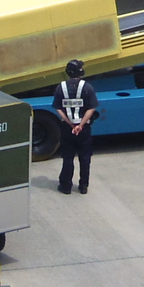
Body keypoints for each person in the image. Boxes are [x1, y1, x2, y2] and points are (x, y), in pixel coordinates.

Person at [52, 59, 99, 194]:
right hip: (83, 129)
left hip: (67, 129)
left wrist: (70, 123)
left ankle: (65, 186)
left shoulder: (60, 87)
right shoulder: (87, 87)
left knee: (67, 158)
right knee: (85, 158)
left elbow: (58, 108)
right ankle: (83, 186)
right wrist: (80, 125)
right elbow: (91, 108)